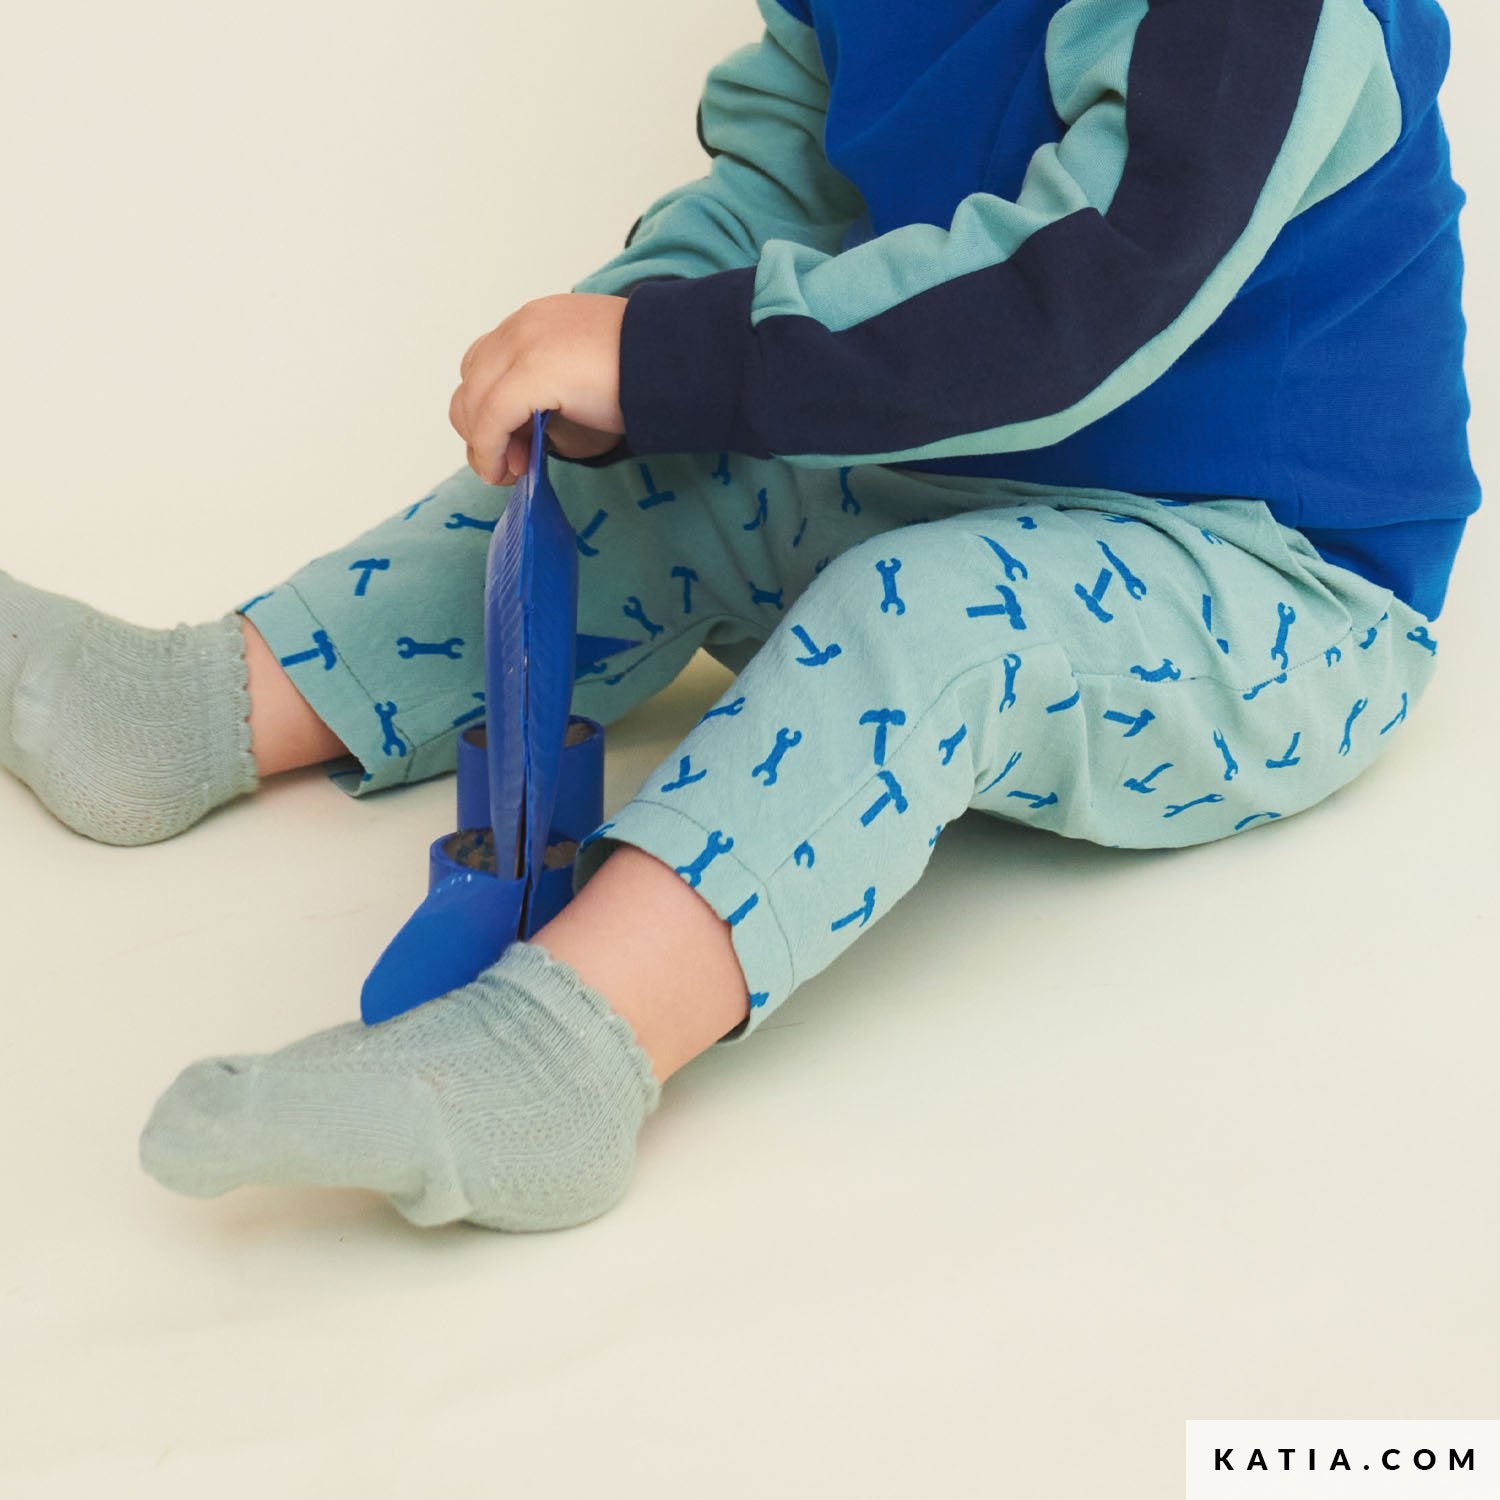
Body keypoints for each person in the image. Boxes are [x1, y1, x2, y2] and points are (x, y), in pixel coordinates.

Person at [0, 0, 1478, 1232]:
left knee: (927, 608)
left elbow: (1086, 298)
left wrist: (669, 358)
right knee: (660, 459)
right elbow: (789, 180)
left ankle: (558, 1056)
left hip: (1275, 580)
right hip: (973, 464)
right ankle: (196, 705)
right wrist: (625, 342)